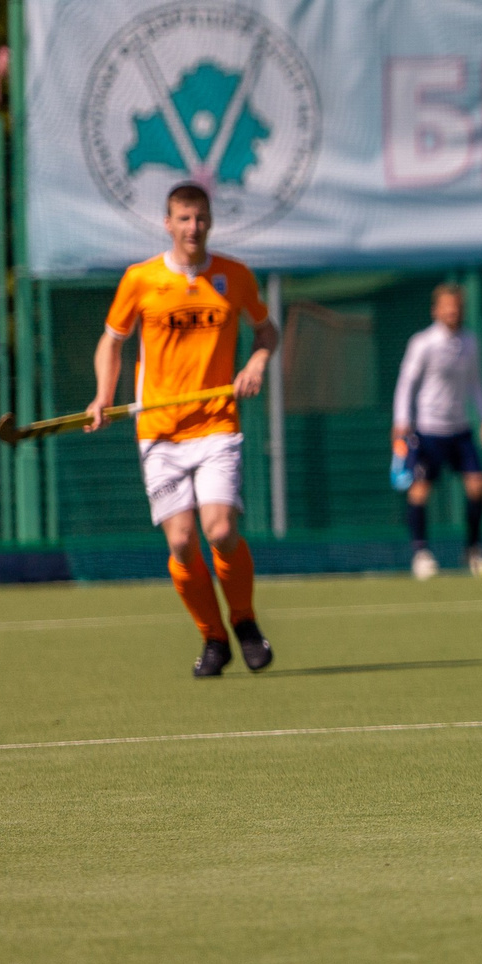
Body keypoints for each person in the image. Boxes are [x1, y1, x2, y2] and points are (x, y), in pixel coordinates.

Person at [87, 182, 279, 678]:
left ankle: (244, 621)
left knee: (219, 529)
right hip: (160, 431)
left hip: (216, 424)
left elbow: (266, 329)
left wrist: (257, 362)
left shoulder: (233, 276)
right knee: (181, 542)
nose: (193, 227)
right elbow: (112, 343)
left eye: (201, 218)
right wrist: (103, 396)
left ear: (211, 221)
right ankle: (213, 638)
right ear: (167, 223)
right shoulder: (141, 279)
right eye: (184, 219)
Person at [393, 282, 482, 580]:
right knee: (419, 491)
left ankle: (474, 550)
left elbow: (476, 384)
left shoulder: (470, 341)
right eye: (447, 307)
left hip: (460, 429)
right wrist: (401, 423)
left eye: (457, 306)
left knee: (478, 485)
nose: (453, 312)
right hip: (428, 430)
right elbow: (406, 384)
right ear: (436, 310)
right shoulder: (423, 343)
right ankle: (421, 553)